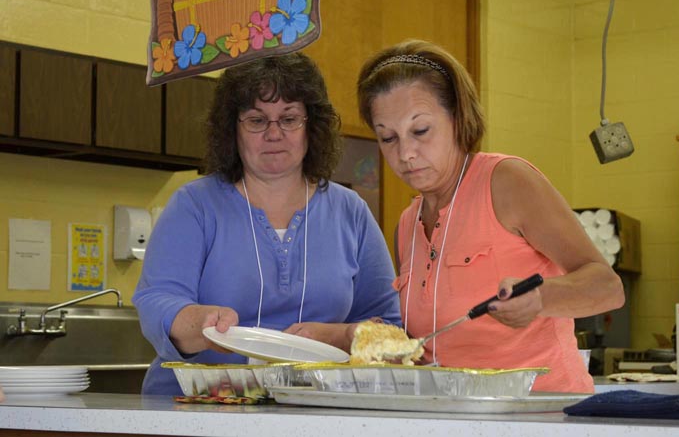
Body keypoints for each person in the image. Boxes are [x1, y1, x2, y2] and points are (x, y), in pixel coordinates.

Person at [356, 40, 625, 393]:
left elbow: (608, 287)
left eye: (421, 131)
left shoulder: (507, 182)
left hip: (542, 414)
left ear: (457, 118)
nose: (406, 153)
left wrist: (541, 298)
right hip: (455, 419)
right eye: (388, 138)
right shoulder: (408, 223)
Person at [133, 53, 400, 395]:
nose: (274, 134)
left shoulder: (351, 212)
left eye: (289, 119)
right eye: (257, 121)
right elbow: (158, 302)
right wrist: (202, 324)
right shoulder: (194, 205)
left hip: (316, 410)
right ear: (232, 128)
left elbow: (388, 327)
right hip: (196, 408)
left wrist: (338, 336)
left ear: (311, 126)